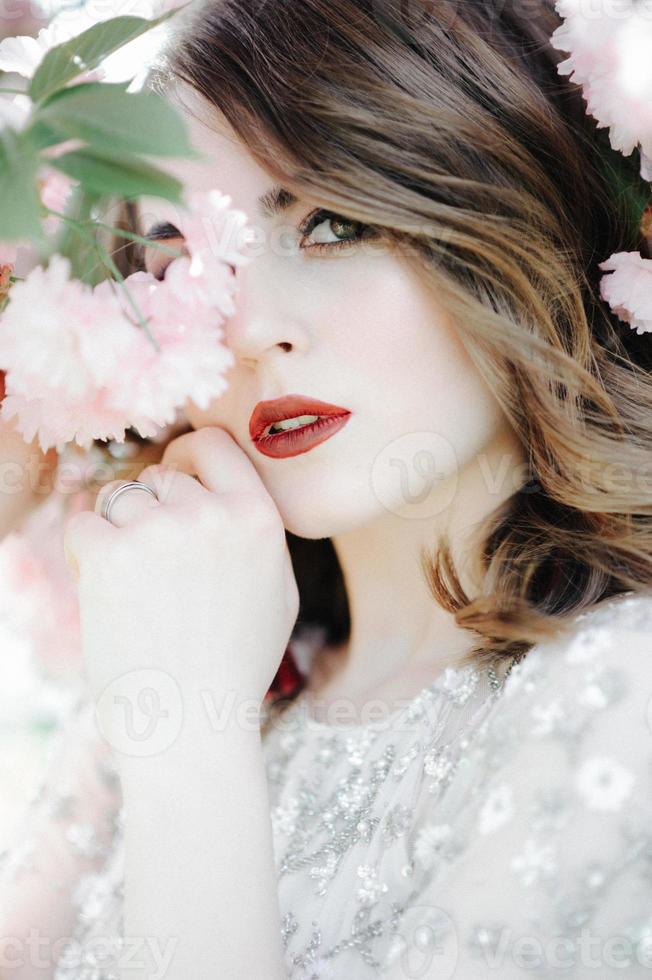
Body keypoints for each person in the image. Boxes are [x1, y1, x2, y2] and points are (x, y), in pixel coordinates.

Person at [2, 0, 652, 977]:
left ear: (518, 202)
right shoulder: (201, 669)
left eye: (329, 222)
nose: (248, 326)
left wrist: (190, 747)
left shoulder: (616, 699)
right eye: (182, 261)